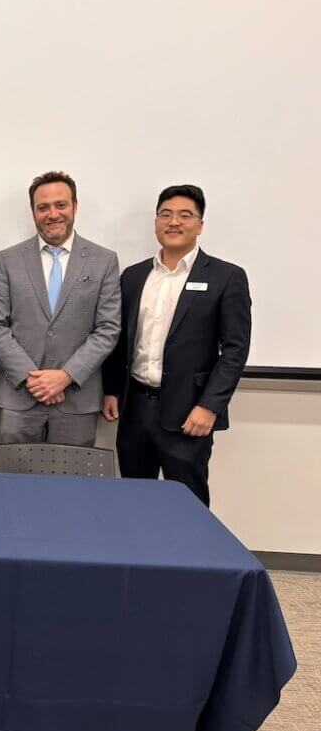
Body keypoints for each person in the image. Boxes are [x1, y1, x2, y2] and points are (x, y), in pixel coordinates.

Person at [102, 184, 251, 506]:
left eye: (185, 215)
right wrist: (112, 390)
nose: (174, 222)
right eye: (166, 214)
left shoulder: (226, 277)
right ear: (156, 222)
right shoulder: (133, 276)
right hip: (135, 409)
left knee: (188, 506)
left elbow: (235, 351)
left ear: (200, 225)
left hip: (189, 413)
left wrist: (209, 406)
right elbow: (120, 340)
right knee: (134, 502)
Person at [0, 171, 121, 446]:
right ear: (33, 212)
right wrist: (33, 379)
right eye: (43, 207)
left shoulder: (103, 261)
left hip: (77, 399)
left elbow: (108, 328)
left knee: (73, 476)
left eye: (61, 205)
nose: (52, 214)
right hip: (19, 397)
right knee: (16, 474)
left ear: (75, 206)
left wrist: (65, 376)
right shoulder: (8, 260)